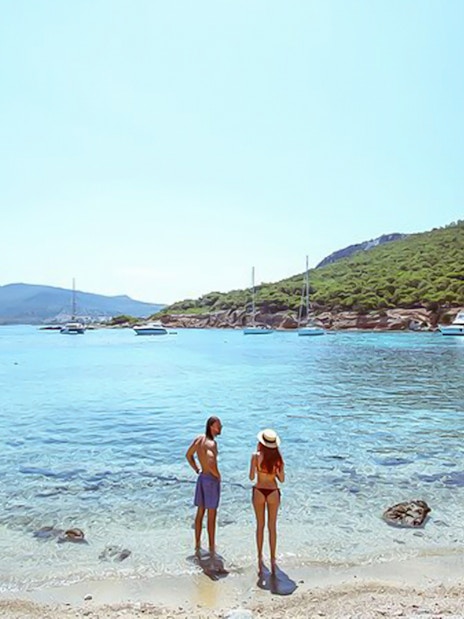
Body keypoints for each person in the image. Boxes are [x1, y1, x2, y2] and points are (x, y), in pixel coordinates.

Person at [249, 428, 285, 575]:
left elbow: (251, 477)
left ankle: (259, 557)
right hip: (273, 492)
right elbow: (282, 479)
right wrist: (274, 471)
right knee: (272, 527)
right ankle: (273, 558)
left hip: (259, 491)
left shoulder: (255, 456)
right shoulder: (278, 458)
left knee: (260, 526)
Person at [185, 416, 222, 555]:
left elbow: (188, 455)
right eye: (219, 425)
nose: (221, 428)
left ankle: (197, 544)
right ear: (211, 426)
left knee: (200, 513)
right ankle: (212, 547)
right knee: (211, 516)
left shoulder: (199, 439)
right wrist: (218, 475)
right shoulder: (211, 443)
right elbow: (211, 461)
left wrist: (197, 469)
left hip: (201, 478)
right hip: (211, 481)